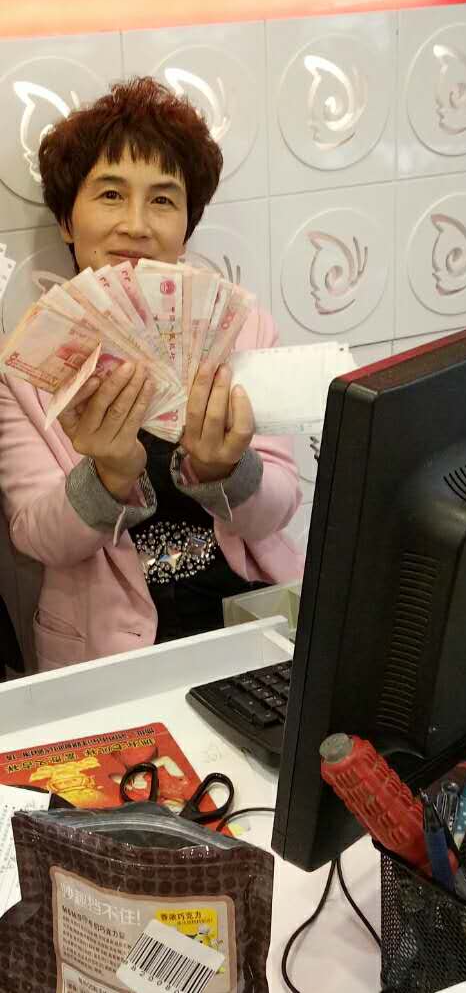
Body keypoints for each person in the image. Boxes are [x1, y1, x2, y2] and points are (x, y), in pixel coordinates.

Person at [0, 77, 303, 672]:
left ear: (187, 223)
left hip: (246, 614)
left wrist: (224, 471)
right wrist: (108, 475)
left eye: (163, 200)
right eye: (111, 194)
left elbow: (279, 507)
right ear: (67, 221)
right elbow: (36, 537)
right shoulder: (27, 366)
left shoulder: (241, 329)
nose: (136, 225)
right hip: (107, 648)